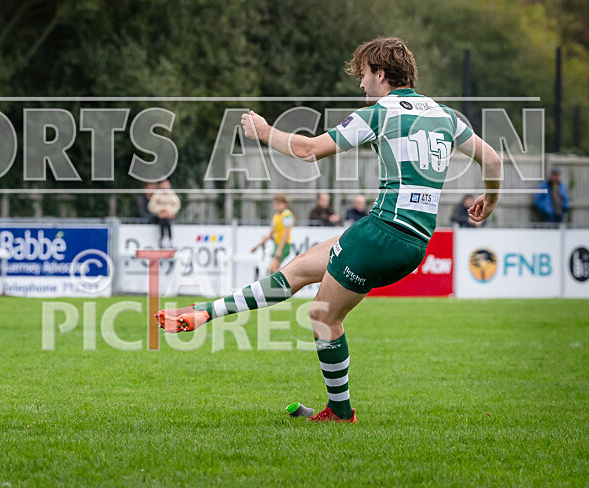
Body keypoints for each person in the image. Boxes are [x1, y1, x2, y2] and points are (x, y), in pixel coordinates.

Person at [156, 37, 502, 423]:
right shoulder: (446, 115)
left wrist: (266, 132)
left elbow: (308, 150)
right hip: (414, 240)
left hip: (382, 233)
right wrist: (490, 200)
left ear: (381, 74)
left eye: (364, 76)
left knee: (322, 316)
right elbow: (492, 159)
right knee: (299, 270)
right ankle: (205, 312)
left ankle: (340, 412)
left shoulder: (380, 113)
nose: (361, 85)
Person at [251, 194, 295, 273]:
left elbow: (286, 234)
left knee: (273, 268)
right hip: (276, 244)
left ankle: (288, 283)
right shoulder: (276, 216)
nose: (276, 206)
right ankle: (284, 283)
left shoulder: (288, 216)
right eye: (275, 204)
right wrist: (257, 246)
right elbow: (271, 234)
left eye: (278, 203)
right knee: (273, 270)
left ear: (284, 204)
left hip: (284, 245)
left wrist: (279, 250)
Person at [147, 179, 181, 248]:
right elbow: (151, 206)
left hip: (169, 215)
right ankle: (164, 239)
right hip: (160, 215)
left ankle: (168, 239)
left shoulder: (172, 194)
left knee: (167, 221)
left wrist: (170, 212)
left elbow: (177, 205)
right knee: (162, 220)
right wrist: (160, 210)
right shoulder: (157, 194)